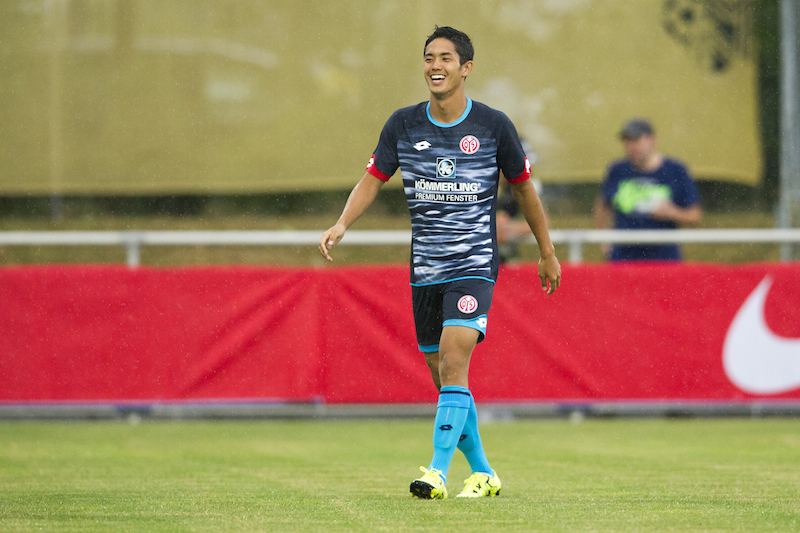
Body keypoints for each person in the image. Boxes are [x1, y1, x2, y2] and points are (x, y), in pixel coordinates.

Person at [319, 26, 561, 499]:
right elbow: (373, 178)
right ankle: (484, 472)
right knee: (443, 374)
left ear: (465, 68)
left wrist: (546, 251)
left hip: (474, 263)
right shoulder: (403, 124)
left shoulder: (493, 126)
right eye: (430, 57)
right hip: (425, 270)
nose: (436, 66)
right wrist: (342, 223)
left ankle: (436, 471)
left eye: (446, 58)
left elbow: (523, 190)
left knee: (453, 359)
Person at [593, 118, 702, 261]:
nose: (631, 147)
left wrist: (672, 213)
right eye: (627, 141)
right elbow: (602, 206)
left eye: (636, 140)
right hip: (623, 259)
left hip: (664, 260)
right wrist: (604, 242)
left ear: (652, 140)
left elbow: (695, 216)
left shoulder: (676, 170)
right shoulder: (617, 170)